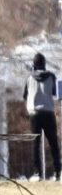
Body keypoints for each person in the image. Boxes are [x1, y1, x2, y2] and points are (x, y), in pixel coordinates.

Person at [23, 53, 59, 181]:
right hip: (48, 112)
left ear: (34, 64)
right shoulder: (51, 76)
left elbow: (25, 95)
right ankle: (57, 173)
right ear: (44, 63)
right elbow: (55, 93)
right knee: (53, 143)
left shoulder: (29, 78)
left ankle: (37, 173)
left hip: (35, 114)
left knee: (35, 144)